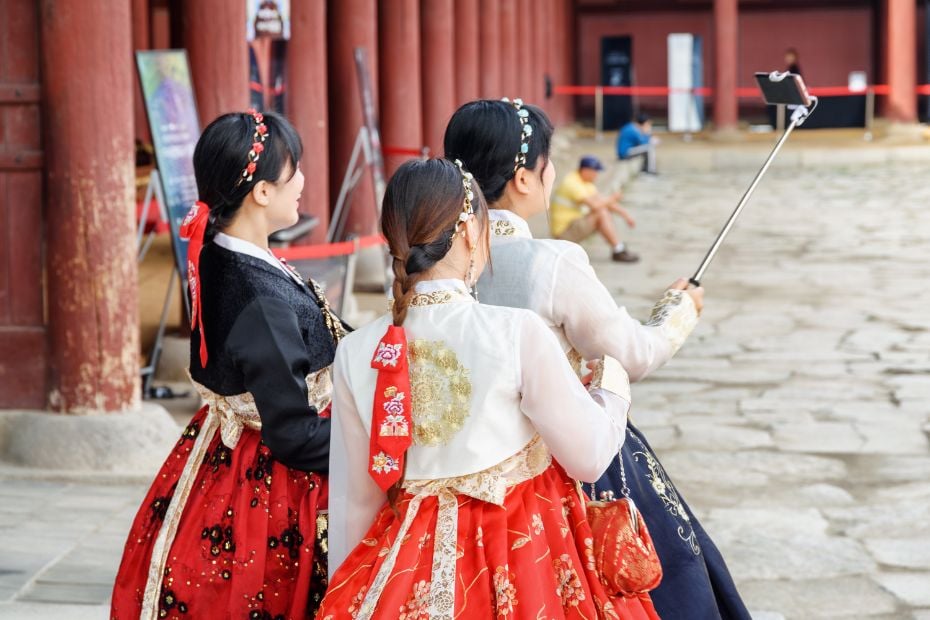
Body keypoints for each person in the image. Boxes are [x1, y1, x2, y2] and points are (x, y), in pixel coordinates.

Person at [445, 98, 752, 620]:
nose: (553, 171)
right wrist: (677, 311)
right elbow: (629, 354)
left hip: (463, 471)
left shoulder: (432, 263)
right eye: (548, 161)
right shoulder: (551, 262)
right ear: (524, 178)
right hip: (563, 464)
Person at [317, 158, 659, 620]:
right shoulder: (515, 332)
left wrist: (352, 588)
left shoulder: (356, 350)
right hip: (521, 557)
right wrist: (612, 385)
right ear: (469, 233)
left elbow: (355, 499)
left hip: (402, 568)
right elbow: (590, 456)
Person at [111, 110, 345, 619]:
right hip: (269, 482)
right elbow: (294, 435)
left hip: (223, 455)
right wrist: (380, 444)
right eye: (295, 169)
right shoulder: (257, 297)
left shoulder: (219, 252)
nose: (302, 180)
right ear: (262, 191)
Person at [551, 154, 640, 263]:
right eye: (595, 171)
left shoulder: (584, 182)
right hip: (563, 233)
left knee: (602, 211)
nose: (597, 175)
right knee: (600, 212)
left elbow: (602, 200)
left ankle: (618, 248)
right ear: (586, 170)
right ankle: (618, 249)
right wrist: (613, 198)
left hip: (573, 225)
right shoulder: (571, 183)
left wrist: (625, 215)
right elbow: (596, 206)